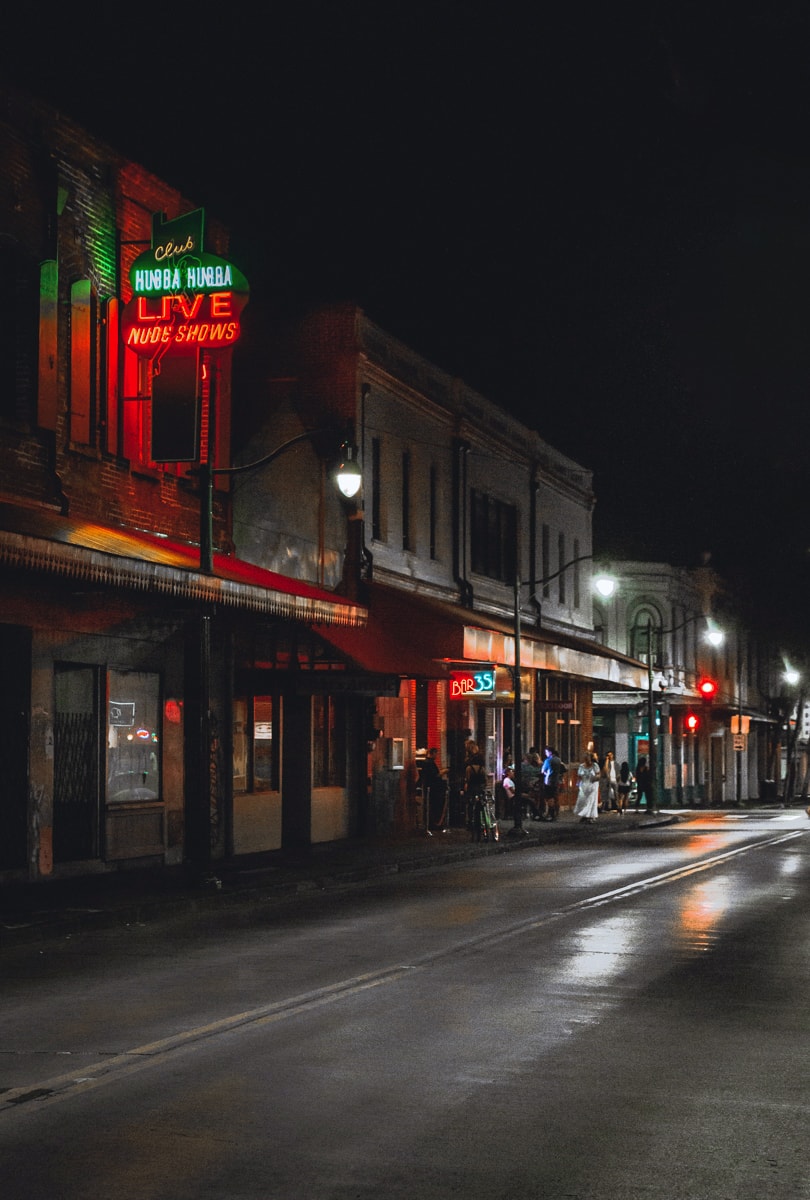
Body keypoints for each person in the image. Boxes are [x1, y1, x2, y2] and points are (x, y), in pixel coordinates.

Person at [464, 746, 489, 841]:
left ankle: (470, 821)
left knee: (470, 806)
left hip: (472, 789)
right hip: (480, 789)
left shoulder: (469, 769)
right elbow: (485, 781)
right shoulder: (482, 769)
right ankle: (481, 823)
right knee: (480, 807)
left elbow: (467, 779)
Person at [420, 747, 448, 830]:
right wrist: (443, 772)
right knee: (434, 806)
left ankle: (433, 823)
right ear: (432, 753)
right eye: (436, 754)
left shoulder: (426, 762)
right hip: (433, 788)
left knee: (432, 806)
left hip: (431, 787)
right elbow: (435, 775)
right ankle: (434, 824)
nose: (437, 756)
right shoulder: (429, 763)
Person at [574, 751, 601, 823]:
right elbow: (579, 777)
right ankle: (585, 815)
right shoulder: (581, 766)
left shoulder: (595, 765)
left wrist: (595, 777)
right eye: (585, 758)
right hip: (584, 785)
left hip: (592, 785)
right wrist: (577, 785)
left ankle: (590, 816)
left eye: (588, 758)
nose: (586, 760)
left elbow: (598, 774)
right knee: (583, 800)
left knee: (591, 800)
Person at [541, 746, 566, 821]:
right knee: (555, 797)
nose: (546, 754)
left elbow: (543, 770)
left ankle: (550, 813)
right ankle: (556, 813)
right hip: (556, 780)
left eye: (546, 752)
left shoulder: (548, 760)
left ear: (550, 752)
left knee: (549, 797)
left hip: (549, 781)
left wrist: (546, 773)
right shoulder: (559, 760)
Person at [521, 747, 546, 820]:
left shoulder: (522, 766)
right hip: (531, 785)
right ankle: (536, 813)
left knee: (533, 798)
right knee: (536, 798)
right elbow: (539, 772)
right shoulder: (530, 767)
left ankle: (530, 812)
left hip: (524, 784)